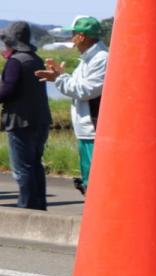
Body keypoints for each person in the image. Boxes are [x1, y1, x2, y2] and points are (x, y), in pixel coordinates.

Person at [35, 16, 106, 195]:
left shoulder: (101, 59)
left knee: (96, 182)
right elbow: (77, 85)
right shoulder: (88, 58)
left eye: (72, 34)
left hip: (93, 129)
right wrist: (60, 75)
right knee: (90, 180)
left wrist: (59, 78)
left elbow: (85, 90)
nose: (71, 39)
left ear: (81, 37)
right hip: (86, 129)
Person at [0, 22, 51, 210]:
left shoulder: (16, 61)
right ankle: (38, 206)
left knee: (22, 168)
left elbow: (7, 91)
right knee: (35, 165)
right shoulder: (35, 59)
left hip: (20, 120)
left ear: (11, 42)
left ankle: (26, 207)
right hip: (40, 119)